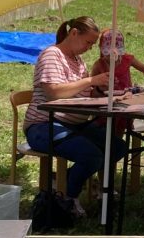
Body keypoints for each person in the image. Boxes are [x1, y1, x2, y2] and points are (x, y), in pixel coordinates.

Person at [23, 16, 127, 221]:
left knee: (116, 147)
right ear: (73, 34)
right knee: (92, 156)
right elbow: (54, 92)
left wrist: (108, 92)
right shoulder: (52, 55)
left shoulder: (78, 61)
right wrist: (91, 80)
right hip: (44, 125)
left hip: (74, 123)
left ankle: (63, 184)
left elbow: (84, 94)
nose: (90, 48)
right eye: (88, 42)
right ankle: (67, 200)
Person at [91, 28, 144, 93]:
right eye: (107, 52)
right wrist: (100, 86)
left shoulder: (127, 59)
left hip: (127, 96)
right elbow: (91, 84)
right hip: (107, 98)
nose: (112, 55)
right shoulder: (99, 65)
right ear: (101, 48)